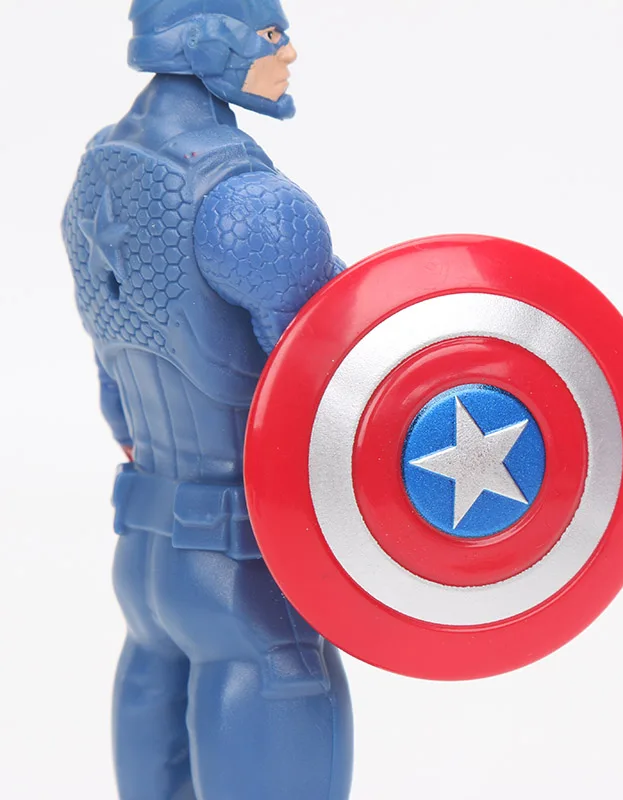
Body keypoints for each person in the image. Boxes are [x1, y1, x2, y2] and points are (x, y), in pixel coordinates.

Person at [61, 2, 353, 797]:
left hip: (147, 546)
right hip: (244, 567)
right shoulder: (248, 203)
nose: (288, 53)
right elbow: (330, 381)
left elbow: (113, 378)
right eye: (270, 35)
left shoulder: (100, 175)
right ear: (207, 43)